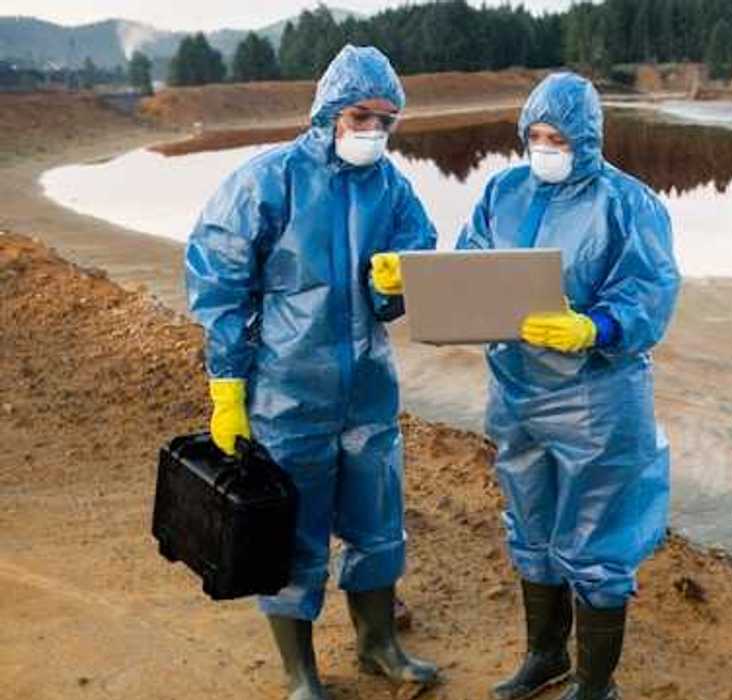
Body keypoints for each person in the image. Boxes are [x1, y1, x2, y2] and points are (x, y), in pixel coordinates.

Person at [184, 45, 439, 700]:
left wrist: (397, 283)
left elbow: (411, 272)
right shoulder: (267, 181)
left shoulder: (392, 187)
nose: (373, 131)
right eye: (361, 115)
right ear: (330, 111)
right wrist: (227, 389)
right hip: (286, 393)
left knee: (377, 525)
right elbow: (221, 286)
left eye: (386, 119)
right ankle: (301, 676)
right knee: (291, 535)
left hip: (368, 393)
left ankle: (380, 645)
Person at [457, 72, 681, 700]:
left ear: (586, 139)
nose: (543, 147)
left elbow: (650, 292)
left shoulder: (627, 203)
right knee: (530, 522)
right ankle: (546, 656)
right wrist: (416, 282)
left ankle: (595, 683)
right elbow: (468, 266)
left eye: (556, 136)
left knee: (597, 537)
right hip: (516, 386)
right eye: (534, 135)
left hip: (596, 397)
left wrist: (595, 325)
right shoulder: (503, 191)